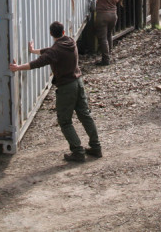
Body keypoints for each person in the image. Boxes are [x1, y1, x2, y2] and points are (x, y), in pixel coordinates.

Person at [9, 21, 102, 163]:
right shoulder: (70, 41)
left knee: (64, 121)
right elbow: (49, 51)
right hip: (78, 83)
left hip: (66, 87)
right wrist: (33, 51)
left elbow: (38, 62)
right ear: (63, 32)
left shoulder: (55, 51)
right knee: (85, 115)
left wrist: (17, 67)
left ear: (51, 34)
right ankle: (96, 147)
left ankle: (77, 151)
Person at [91, 0, 123, 66]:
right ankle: (109, 55)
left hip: (103, 15)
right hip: (113, 15)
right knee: (108, 35)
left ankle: (105, 60)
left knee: (103, 38)